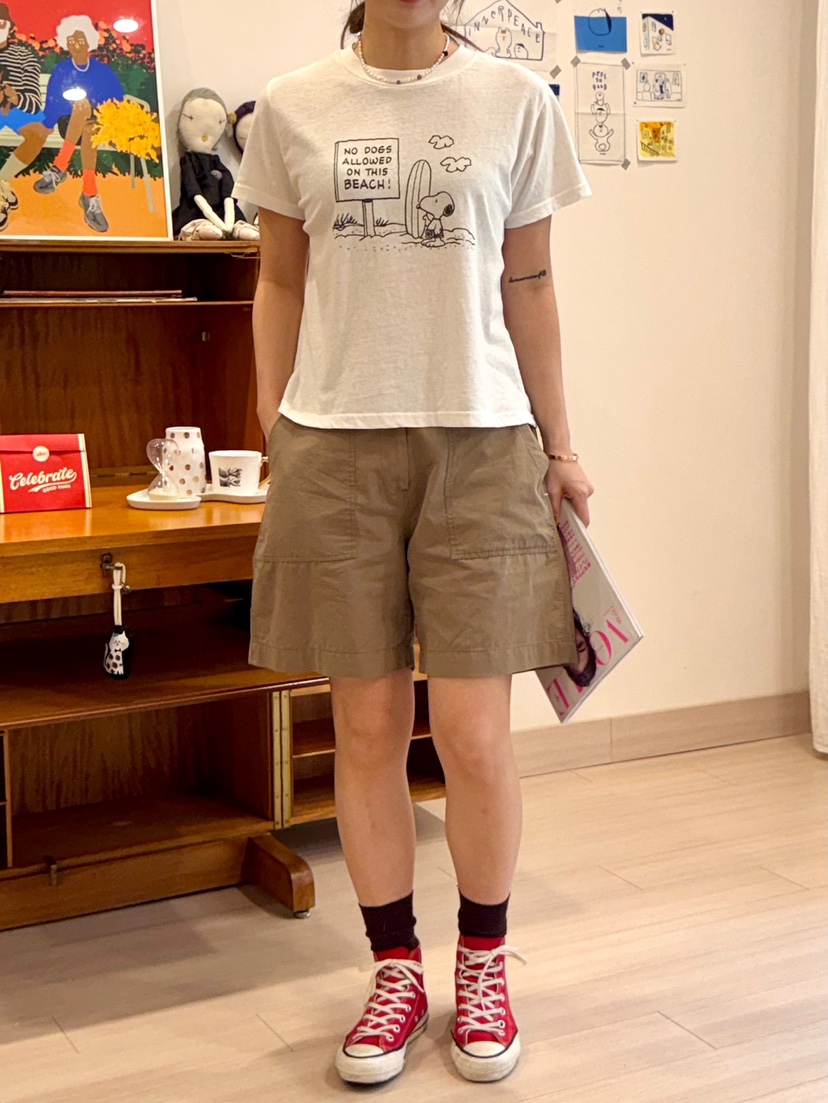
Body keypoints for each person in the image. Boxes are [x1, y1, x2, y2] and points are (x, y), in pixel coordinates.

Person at [234, 0, 595, 1086]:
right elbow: (280, 278)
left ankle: (482, 963)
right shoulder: (292, 106)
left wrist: (562, 445)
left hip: (482, 442)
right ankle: (395, 969)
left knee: (475, 733)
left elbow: (530, 280)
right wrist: (274, 424)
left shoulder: (516, 102)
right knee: (367, 726)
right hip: (333, 440)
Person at [28, 15, 124, 233]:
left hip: (98, 124)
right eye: (71, 40)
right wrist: (47, 124)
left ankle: (62, 170)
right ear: (66, 43)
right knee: (82, 108)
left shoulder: (102, 71)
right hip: (68, 123)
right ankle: (88, 193)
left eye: (80, 40)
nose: (76, 44)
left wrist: (101, 112)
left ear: (89, 42)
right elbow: (52, 102)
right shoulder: (62, 70)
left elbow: (117, 100)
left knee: (90, 126)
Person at [0, 2, 45, 232]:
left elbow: (34, 101)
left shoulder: (24, 55)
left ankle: (1, 182)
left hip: (15, 108)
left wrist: (16, 97)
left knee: (38, 133)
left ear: (10, 27)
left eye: (0, 24)